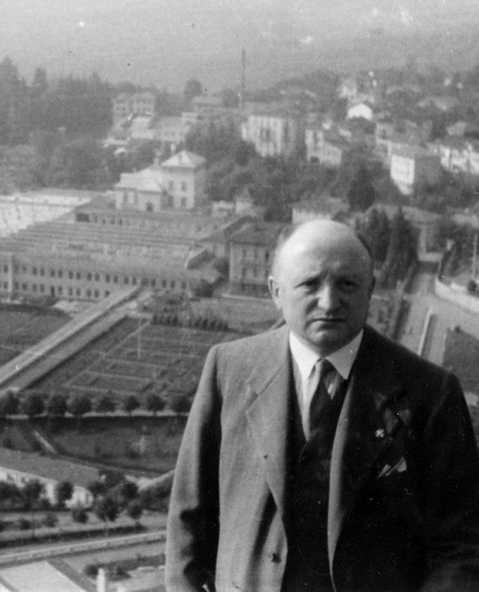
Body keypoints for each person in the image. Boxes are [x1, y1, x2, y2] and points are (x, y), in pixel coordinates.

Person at [166, 219, 479, 592]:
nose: (329, 302)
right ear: (276, 292)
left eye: (347, 284)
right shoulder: (227, 368)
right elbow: (188, 518)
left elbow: (460, 546)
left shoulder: (430, 392)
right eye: (310, 284)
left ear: (370, 290)